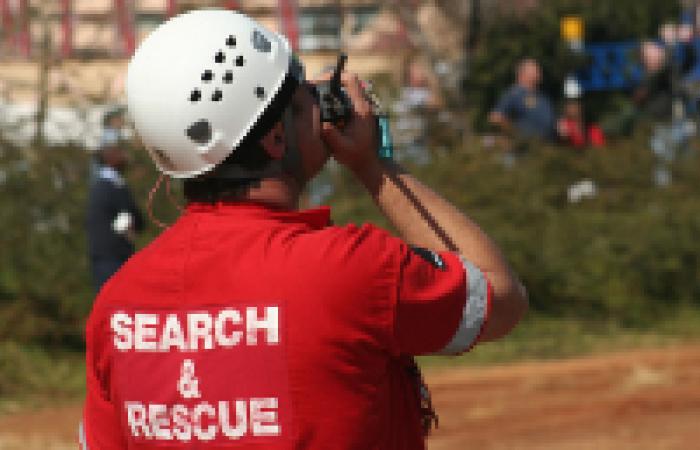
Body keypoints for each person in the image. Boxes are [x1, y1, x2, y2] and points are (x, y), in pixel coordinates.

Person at [80, 10, 528, 450]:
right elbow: (498, 296)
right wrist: (374, 164)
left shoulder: (115, 305)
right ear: (276, 137)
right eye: (304, 98)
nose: (320, 105)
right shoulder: (351, 269)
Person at [85, 117, 145, 293]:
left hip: (112, 256)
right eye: (119, 152)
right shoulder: (109, 186)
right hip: (112, 257)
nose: (125, 156)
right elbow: (127, 217)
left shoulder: (110, 184)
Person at [489, 58, 555, 141]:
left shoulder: (543, 97)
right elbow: (496, 117)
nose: (539, 73)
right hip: (524, 149)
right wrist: (516, 134)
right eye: (536, 70)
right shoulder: (514, 93)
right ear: (522, 73)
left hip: (547, 147)